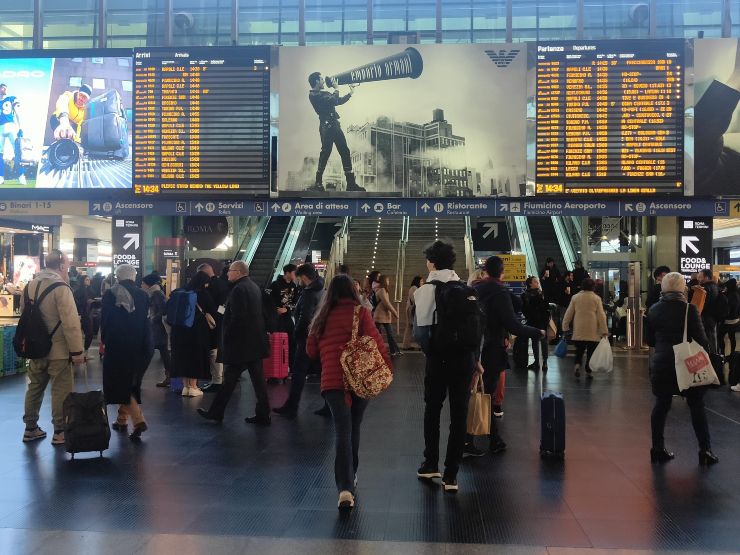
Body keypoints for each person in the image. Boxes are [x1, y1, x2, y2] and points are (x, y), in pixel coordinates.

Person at [306, 274, 391, 509]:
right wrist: (386, 368)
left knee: (341, 431)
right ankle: (351, 475)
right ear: (352, 292)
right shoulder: (360, 313)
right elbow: (376, 342)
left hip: (333, 382)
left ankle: (345, 488)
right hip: (360, 381)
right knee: (354, 427)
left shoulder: (321, 317)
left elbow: (311, 351)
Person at [466, 256, 545, 457]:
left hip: (476, 346)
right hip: (492, 348)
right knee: (488, 394)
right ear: (502, 272)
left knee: (478, 392)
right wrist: (537, 332)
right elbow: (513, 324)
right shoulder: (500, 292)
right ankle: (475, 439)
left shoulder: (477, 290)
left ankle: (492, 439)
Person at [646, 272, 718, 465]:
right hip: (687, 365)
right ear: (682, 288)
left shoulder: (653, 310)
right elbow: (702, 340)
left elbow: (650, 340)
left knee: (661, 405)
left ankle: (657, 448)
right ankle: (705, 450)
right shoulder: (689, 310)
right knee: (696, 406)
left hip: (662, 364)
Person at [21, 250, 84, 445]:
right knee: (60, 391)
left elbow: (24, 317)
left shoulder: (29, 286)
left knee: (34, 387)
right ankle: (60, 431)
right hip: (59, 350)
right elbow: (70, 322)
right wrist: (77, 351)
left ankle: (30, 428)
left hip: (35, 349)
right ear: (62, 266)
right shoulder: (61, 288)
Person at [197, 261, 271, 425]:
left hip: (241, 344)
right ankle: (263, 413)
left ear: (238, 272)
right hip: (255, 342)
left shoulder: (238, 289)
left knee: (230, 380)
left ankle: (216, 412)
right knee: (257, 381)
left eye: (230, 271)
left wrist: (227, 337)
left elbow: (237, 318)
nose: (227, 274)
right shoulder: (253, 287)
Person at [101, 265, 153, 441]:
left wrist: (104, 340)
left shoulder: (110, 294)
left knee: (119, 382)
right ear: (134, 277)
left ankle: (138, 419)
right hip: (141, 345)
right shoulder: (143, 295)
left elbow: (106, 320)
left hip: (119, 345)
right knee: (132, 381)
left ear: (117, 277)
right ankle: (122, 419)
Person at [273, 263, 325, 418]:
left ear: (303, 277)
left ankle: (292, 406)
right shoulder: (321, 289)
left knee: (298, 372)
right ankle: (330, 405)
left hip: (306, 338)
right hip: (316, 336)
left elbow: (305, 317)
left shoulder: (309, 293)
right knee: (321, 372)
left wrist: (298, 333)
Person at [307, 72, 364, 192]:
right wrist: (336, 88)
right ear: (316, 81)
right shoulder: (313, 95)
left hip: (334, 125)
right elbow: (333, 100)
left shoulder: (322, 94)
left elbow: (337, 101)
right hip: (327, 126)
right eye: (321, 79)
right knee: (326, 152)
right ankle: (318, 183)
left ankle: (350, 184)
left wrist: (350, 93)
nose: (323, 81)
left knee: (344, 151)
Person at [170, 271, 215, 398]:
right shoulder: (203, 294)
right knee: (196, 356)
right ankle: (194, 387)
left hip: (179, 331)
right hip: (197, 330)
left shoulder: (178, 292)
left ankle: (185, 387)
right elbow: (212, 309)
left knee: (183, 356)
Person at [562, 278, 608, 379]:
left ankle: (577, 365)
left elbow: (569, 313)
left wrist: (565, 326)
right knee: (591, 351)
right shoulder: (596, 298)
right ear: (593, 287)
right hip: (592, 329)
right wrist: (604, 330)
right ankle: (588, 369)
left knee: (579, 350)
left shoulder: (575, 297)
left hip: (579, 328)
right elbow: (601, 315)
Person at [196, 263, 230, 393]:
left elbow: (210, 305)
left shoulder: (209, 287)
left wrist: (214, 314)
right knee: (217, 349)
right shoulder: (223, 284)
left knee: (214, 350)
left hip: (212, 322)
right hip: (221, 321)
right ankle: (217, 379)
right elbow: (224, 304)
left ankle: (217, 380)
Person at [141, 273, 172, 388]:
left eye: (143, 283)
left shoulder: (156, 293)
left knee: (147, 352)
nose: (141, 285)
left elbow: (163, 310)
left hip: (157, 328)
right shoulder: (153, 293)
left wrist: (153, 319)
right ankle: (170, 377)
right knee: (164, 353)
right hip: (157, 328)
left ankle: (135, 378)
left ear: (149, 284)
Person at [270, 263, 298, 372]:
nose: (295, 275)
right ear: (287, 273)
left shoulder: (294, 286)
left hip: (288, 318)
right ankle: (278, 366)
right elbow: (269, 302)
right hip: (277, 319)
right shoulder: (275, 285)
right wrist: (276, 309)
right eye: (294, 272)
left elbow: (295, 302)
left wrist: (287, 309)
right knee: (279, 342)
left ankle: (290, 366)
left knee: (292, 341)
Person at [522, 276, 551, 372]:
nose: (537, 283)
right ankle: (539, 362)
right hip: (536, 321)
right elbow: (525, 309)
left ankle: (542, 362)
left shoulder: (537, 294)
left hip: (539, 321)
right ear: (530, 283)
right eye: (535, 281)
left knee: (541, 341)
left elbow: (545, 307)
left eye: (537, 281)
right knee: (538, 341)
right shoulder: (531, 294)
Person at [0, 83, 27, 185]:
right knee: (0, 153)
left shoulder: (11, 98)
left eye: (6, 88)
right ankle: (1, 176)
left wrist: (21, 127)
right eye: (3, 87)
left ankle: (21, 175)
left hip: (11, 126)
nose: (5, 89)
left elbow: (18, 113)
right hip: (0, 128)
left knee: (18, 151)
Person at [373, 274, 401, 357]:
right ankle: (391, 351)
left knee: (387, 334)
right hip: (380, 316)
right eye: (387, 280)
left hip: (383, 316)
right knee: (385, 334)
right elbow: (387, 303)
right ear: (384, 281)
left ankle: (393, 351)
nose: (389, 282)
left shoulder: (383, 290)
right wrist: (395, 313)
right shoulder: (381, 290)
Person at [699, 269, 723, 354]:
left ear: (706, 277)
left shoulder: (705, 288)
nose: (699, 278)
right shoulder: (715, 286)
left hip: (706, 317)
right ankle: (715, 357)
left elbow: (702, 305)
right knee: (712, 338)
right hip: (713, 317)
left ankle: (711, 359)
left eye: (700, 276)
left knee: (708, 340)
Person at [73, 275, 95, 352]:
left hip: (87, 313)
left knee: (89, 333)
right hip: (81, 314)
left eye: (89, 279)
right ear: (82, 281)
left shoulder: (89, 290)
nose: (88, 281)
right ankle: (82, 351)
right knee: (85, 333)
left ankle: (85, 350)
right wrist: (86, 302)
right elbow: (76, 303)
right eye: (86, 280)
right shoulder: (78, 291)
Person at [719, 278, 740, 357]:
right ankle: (732, 354)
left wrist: (722, 317)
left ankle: (723, 354)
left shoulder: (730, 295)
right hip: (735, 320)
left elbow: (727, 309)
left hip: (728, 321)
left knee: (720, 336)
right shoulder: (737, 293)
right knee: (732, 337)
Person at [402, 276, 424, 350]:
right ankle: (407, 345)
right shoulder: (414, 288)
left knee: (409, 327)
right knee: (411, 327)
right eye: (421, 281)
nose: (422, 283)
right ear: (417, 281)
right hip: (412, 309)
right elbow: (415, 299)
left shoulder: (414, 288)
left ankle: (406, 345)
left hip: (411, 309)